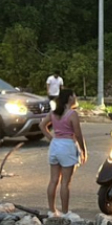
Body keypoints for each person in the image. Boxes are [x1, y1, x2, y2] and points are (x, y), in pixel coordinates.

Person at [39, 88, 87, 217]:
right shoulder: (72, 114)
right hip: (67, 147)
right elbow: (78, 134)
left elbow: (42, 125)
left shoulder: (54, 113)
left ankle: (52, 211)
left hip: (55, 146)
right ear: (70, 98)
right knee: (65, 182)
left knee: (53, 180)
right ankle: (65, 212)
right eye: (74, 95)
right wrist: (83, 150)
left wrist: (51, 138)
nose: (76, 97)